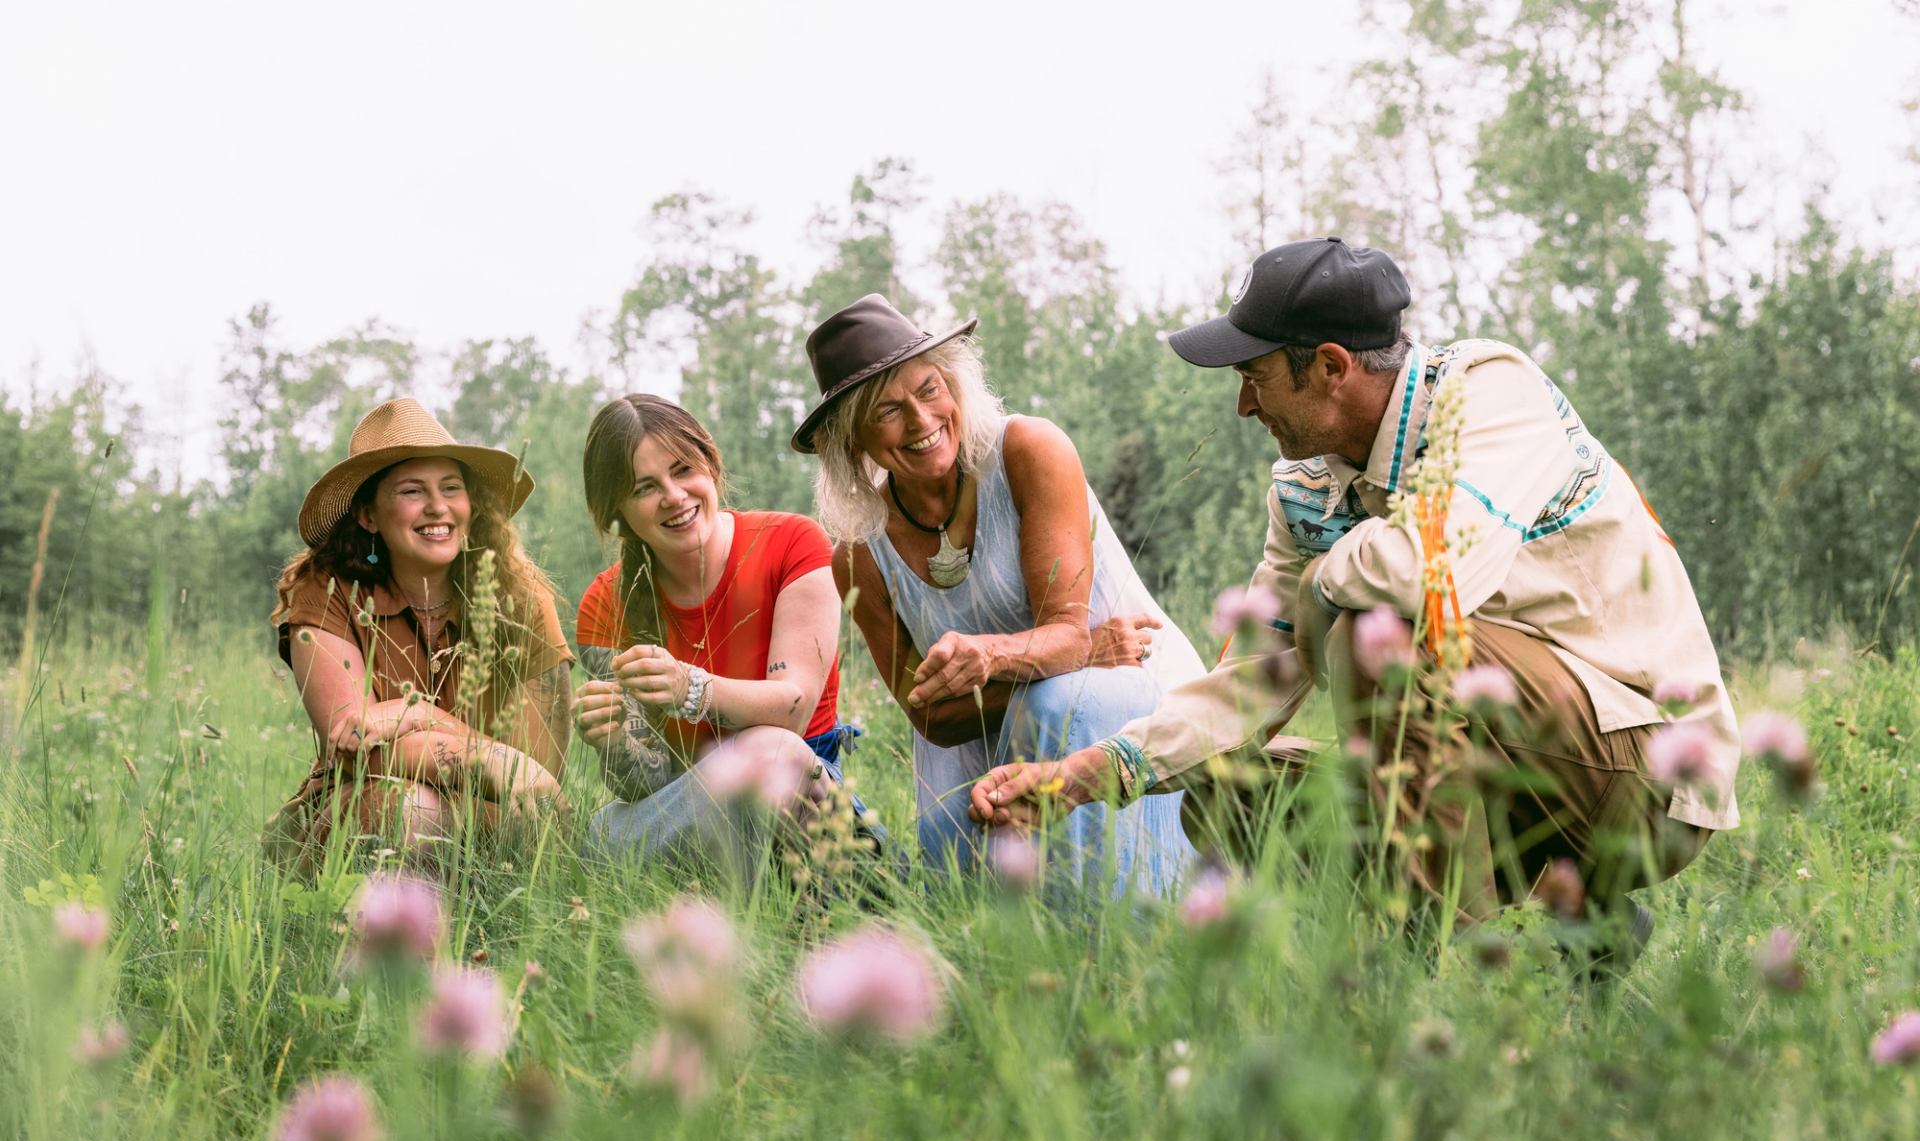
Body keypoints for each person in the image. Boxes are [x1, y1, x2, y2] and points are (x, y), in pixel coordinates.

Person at [971, 237, 1740, 925]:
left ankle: (1419, 976)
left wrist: (1325, 579)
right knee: (1230, 792)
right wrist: (1084, 774)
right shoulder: (1306, 489)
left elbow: (1433, 576)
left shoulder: (1489, 391)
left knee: (1385, 634)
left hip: (1650, 777)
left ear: (1332, 366)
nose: (1243, 405)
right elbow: (1250, 683)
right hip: (1512, 773)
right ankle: (1579, 921)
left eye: (1255, 375)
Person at [794, 294, 1207, 895]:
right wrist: (1082, 651)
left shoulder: (1028, 451)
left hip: (1127, 700)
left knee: (1055, 710)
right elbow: (931, 715)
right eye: (887, 410)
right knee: (952, 850)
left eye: (929, 388)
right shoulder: (859, 557)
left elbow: (1064, 629)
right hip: (981, 749)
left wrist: (994, 658)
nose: (920, 420)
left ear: (955, 385)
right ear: (850, 438)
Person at [265, 398, 573, 870]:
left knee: (535, 829)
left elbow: (538, 778)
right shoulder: (326, 590)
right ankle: (405, 944)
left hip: (497, 829)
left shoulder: (522, 599)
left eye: (452, 487)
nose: (438, 507)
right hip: (359, 821)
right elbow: (351, 742)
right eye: (412, 491)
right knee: (409, 808)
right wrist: (486, 758)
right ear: (368, 516)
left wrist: (415, 715)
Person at [572, 393, 864, 878]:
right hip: (691, 815)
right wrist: (614, 743)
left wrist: (690, 689)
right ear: (617, 514)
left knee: (772, 753)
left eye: (683, 469)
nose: (674, 495)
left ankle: (790, 919)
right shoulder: (605, 604)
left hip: (802, 805)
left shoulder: (793, 543)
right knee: (599, 834)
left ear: (710, 466)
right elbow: (649, 787)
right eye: (645, 487)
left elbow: (794, 709)